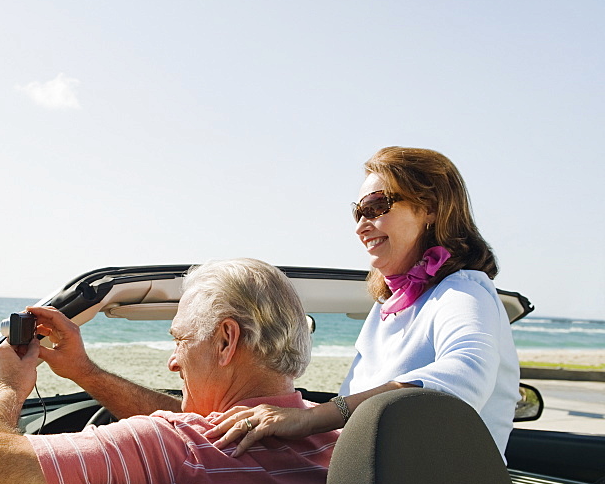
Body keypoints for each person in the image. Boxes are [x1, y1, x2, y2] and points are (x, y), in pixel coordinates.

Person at [0, 259, 339, 484]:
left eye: (181, 340)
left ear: (225, 340)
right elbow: (205, 426)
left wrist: (5, 392)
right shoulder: (345, 443)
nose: (172, 362)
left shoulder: (166, 447)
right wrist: (85, 372)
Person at [210, 147, 520, 459]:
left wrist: (310, 418)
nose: (360, 226)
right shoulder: (385, 308)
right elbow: (351, 416)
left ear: (430, 207)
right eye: (358, 212)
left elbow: (464, 377)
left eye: (375, 206)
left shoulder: (464, 290)